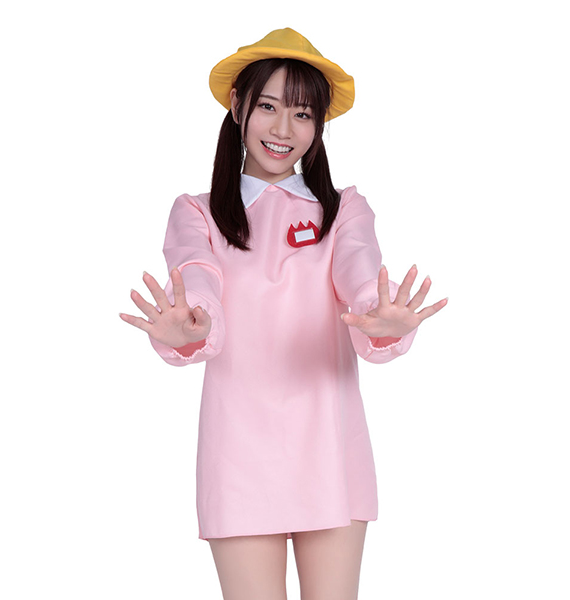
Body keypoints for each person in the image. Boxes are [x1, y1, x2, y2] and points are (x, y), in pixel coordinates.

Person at [119, 27, 447, 600]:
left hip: (329, 445)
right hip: (238, 450)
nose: (283, 130)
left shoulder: (343, 210)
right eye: (268, 107)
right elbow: (197, 274)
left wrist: (380, 313)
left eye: (302, 114)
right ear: (237, 105)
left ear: (318, 125)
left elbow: (359, 271)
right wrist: (192, 320)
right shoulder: (197, 213)